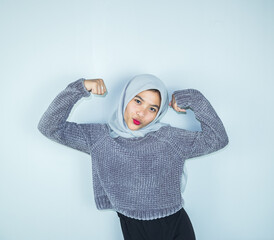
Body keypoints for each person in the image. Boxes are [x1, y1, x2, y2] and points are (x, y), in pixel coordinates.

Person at [37, 74, 229, 240]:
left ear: (158, 113)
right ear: (126, 99)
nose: (142, 112)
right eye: (138, 101)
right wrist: (79, 88)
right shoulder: (100, 138)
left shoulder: (169, 138)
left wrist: (193, 99)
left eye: (152, 109)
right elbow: (49, 127)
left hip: (175, 224)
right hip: (133, 227)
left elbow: (218, 139)